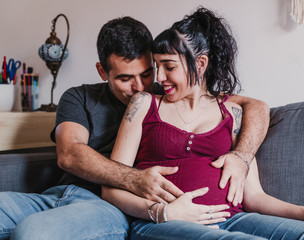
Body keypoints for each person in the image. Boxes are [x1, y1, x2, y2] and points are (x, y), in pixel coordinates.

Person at [0, 16, 270, 240]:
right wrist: (134, 178)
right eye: (125, 79)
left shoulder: (165, 95)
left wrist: (242, 156)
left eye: (146, 74)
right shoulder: (78, 96)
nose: (139, 87)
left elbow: (255, 107)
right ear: (102, 72)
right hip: (58, 195)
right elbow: (70, 154)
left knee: (32, 234)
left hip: (105, 205)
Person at [102, 7, 304, 240]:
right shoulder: (144, 104)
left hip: (235, 219)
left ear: (200, 64)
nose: (160, 77)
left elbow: (256, 198)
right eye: (157, 67)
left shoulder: (232, 114)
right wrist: (163, 212)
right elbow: (111, 188)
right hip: (161, 225)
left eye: (169, 67)